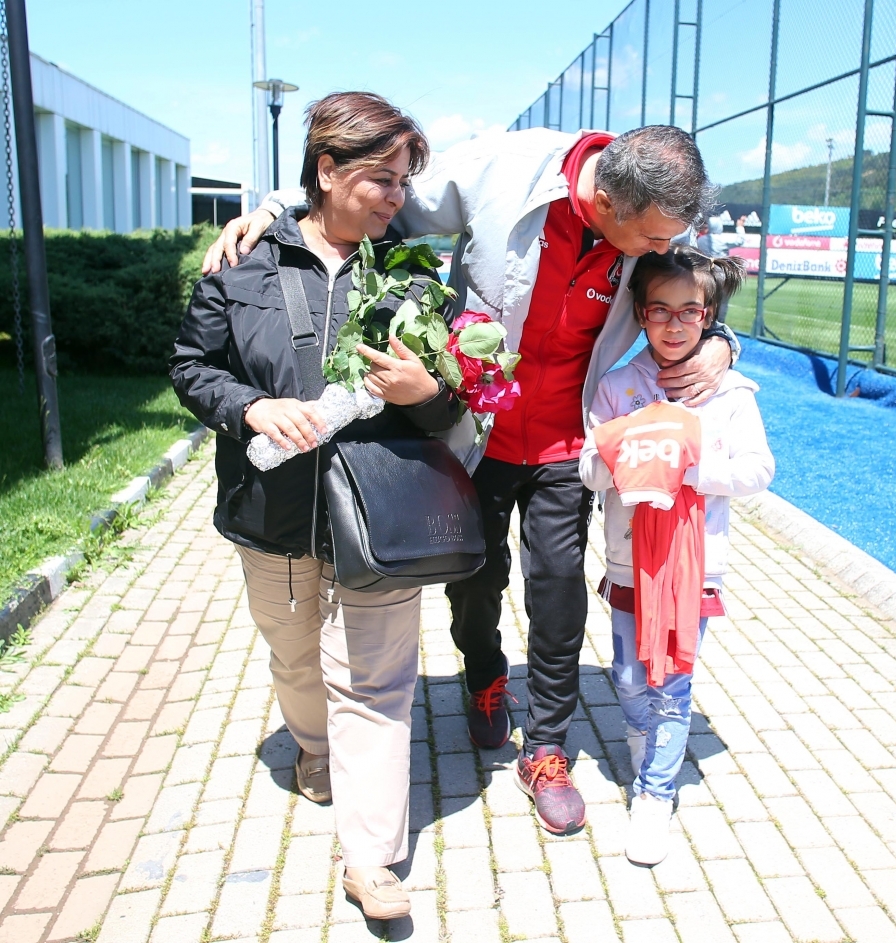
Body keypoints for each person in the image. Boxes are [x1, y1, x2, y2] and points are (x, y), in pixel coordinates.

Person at [202, 125, 740, 835]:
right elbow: (378, 198)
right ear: (606, 201)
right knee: (475, 580)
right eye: (649, 239)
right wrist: (274, 207)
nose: (658, 251)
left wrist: (721, 339)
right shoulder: (507, 170)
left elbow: (694, 284)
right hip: (477, 431)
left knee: (555, 589)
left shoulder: (651, 226)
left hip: (565, 440)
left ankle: (546, 747)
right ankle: (483, 675)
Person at [170, 92, 461, 921]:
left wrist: (428, 390)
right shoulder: (244, 261)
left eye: (404, 181)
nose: (396, 196)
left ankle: (371, 857)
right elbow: (193, 368)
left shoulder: (415, 274)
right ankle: (312, 745)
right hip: (271, 511)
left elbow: (448, 409)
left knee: (376, 682)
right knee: (296, 660)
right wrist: (251, 409)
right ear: (326, 171)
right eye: (381, 177)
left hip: (379, 520)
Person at [579, 246, 774, 865]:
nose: (673, 323)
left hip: (695, 568)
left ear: (708, 316)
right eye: (658, 310)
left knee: (673, 683)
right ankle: (642, 738)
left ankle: (655, 793)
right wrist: (626, 458)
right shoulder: (617, 387)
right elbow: (589, 469)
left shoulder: (732, 394)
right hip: (628, 561)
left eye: (688, 311)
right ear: (639, 315)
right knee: (631, 674)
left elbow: (757, 472)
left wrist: (690, 465)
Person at [696, 215, 747, 322]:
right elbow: (740, 240)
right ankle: (719, 324)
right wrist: (740, 227)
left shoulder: (701, 240)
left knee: (704, 301)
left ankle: (703, 323)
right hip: (722, 276)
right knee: (723, 303)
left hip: (706, 276)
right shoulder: (723, 239)